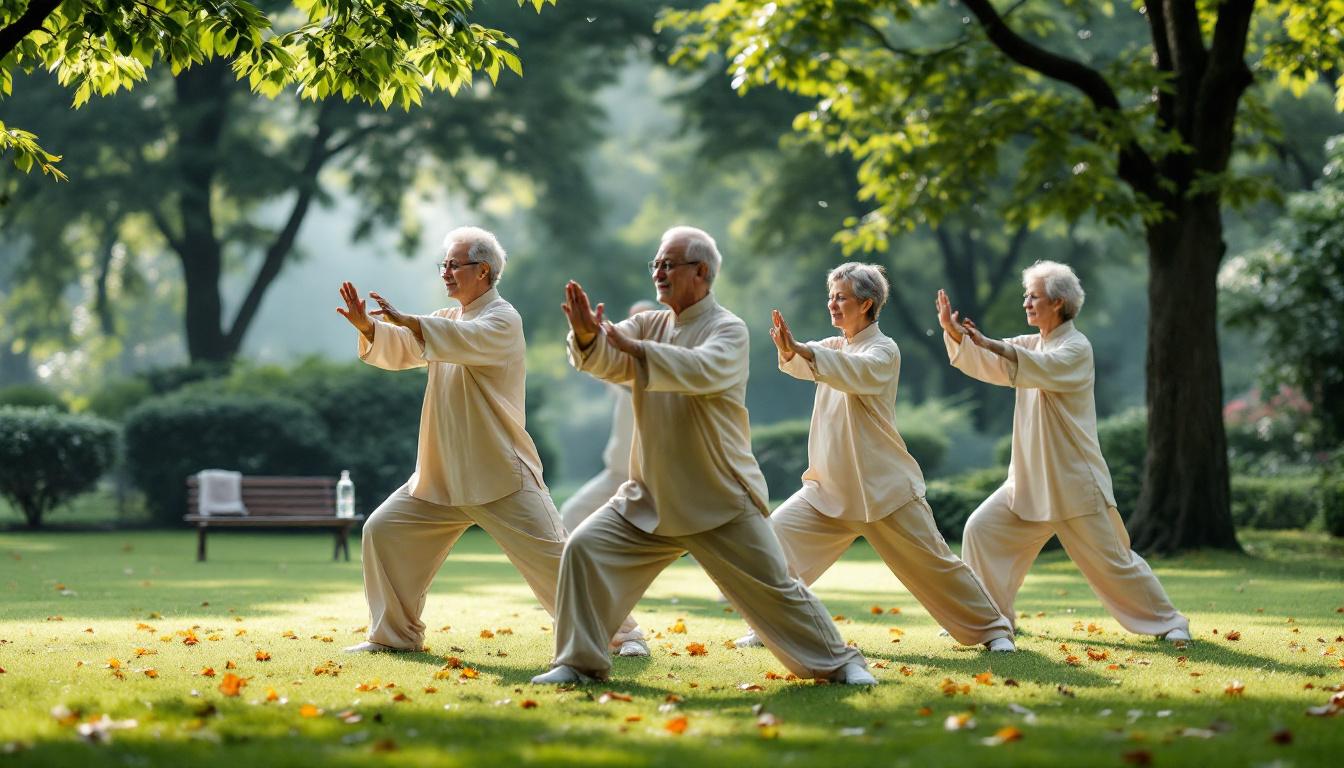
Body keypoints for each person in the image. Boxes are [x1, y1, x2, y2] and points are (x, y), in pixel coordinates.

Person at [531, 226, 875, 685]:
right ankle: (578, 662)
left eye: (668, 264)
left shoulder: (727, 329)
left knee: (777, 590)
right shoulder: (649, 323)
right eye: (656, 263)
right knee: (584, 550)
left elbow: (703, 370)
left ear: (701, 273)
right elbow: (608, 362)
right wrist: (586, 336)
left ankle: (841, 663)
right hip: (650, 496)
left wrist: (635, 349)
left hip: (719, 497)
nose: (659, 272)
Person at [336, 226, 645, 656]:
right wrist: (368, 326)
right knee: (384, 531)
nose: (445, 272)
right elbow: (407, 347)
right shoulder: (446, 320)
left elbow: (455, 341)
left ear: (483, 271)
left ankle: (624, 636)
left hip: (499, 471)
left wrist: (410, 322)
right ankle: (393, 636)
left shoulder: (503, 317)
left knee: (555, 559)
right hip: (441, 473)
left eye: (454, 265)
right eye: (442, 264)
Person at [733, 263, 1015, 652]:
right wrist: (792, 350)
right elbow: (809, 363)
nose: (832, 303)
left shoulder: (883, 349)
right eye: (830, 296)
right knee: (771, 546)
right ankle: (771, 626)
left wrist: (801, 351)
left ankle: (993, 631)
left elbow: (852, 371)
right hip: (828, 490)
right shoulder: (834, 347)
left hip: (884, 490)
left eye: (841, 297)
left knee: (937, 567)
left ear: (866, 304)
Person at [937, 261, 1190, 643]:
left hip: (1073, 481)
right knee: (983, 530)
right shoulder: (1031, 344)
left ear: (1057, 303)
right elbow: (992, 365)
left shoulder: (1075, 347)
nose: (1026, 302)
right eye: (1027, 295)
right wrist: (956, 335)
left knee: (1112, 563)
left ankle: (1169, 623)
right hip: (1028, 481)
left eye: (1033, 296)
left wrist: (988, 342)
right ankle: (991, 623)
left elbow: (1036, 365)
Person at [559, 300, 659, 532]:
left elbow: (628, 376)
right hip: (618, 473)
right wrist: (593, 338)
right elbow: (603, 366)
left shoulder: (663, 364)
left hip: (657, 480)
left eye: (644, 320)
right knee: (573, 513)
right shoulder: (622, 363)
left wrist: (599, 346)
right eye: (634, 319)